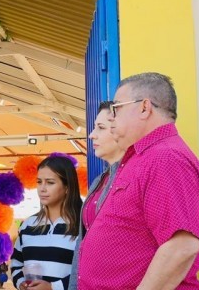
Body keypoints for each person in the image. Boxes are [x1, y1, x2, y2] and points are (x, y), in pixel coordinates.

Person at [77, 72, 199, 290]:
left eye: (116, 108)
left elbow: (182, 246)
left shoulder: (165, 157)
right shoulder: (142, 158)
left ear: (144, 108)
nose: (112, 118)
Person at [67, 102, 126, 290]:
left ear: (120, 129)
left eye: (100, 128)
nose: (92, 135)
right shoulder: (99, 180)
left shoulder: (132, 177)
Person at [11, 156, 82, 290]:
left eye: (50, 182)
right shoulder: (28, 225)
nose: (42, 189)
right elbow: (16, 263)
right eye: (39, 182)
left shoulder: (83, 226)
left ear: (67, 187)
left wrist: (53, 287)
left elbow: (88, 271)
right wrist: (21, 283)